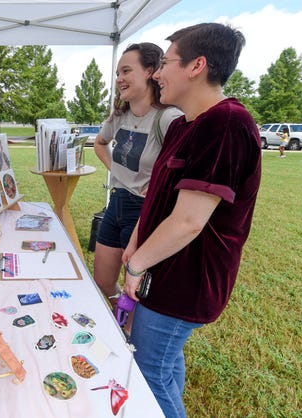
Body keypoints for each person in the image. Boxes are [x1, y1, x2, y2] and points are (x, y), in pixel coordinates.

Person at [121, 23, 261, 418]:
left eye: (165, 63)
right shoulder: (183, 125)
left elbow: (188, 221)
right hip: (160, 270)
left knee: (151, 369)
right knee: (165, 363)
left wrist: (136, 264)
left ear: (197, 65)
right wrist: (135, 242)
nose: (157, 73)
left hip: (186, 280)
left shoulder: (227, 123)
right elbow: (158, 200)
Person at [92, 43, 182, 308]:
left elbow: (184, 168)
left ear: (150, 72)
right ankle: (122, 316)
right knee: (103, 279)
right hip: (117, 202)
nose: (119, 78)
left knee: (139, 291)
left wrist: (157, 188)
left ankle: (129, 330)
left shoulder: (168, 118)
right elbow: (99, 143)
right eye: (118, 72)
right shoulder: (119, 115)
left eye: (127, 70)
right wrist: (118, 172)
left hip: (145, 210)